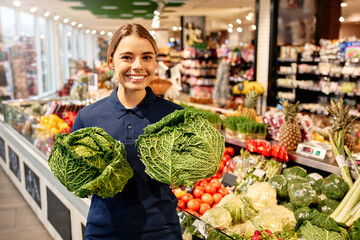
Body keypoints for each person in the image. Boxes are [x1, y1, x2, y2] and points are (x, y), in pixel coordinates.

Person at [71, 23, 183, 240]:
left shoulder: (176, 116)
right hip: (104, 232)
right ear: (111, 61)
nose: (138, 66)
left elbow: (187, 174)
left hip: (162, 231)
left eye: (147, 57)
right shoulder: (88, 117)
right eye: (127, 57)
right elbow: (78, 178)